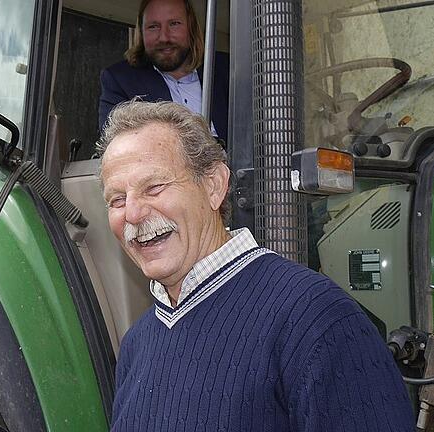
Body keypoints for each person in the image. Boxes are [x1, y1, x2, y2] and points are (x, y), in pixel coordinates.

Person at [97, 100, 415, 432]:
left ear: (214, 185)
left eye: (154, 188)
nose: (132, 214)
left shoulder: (316, 318)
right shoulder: (137, 344)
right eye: (117, 200)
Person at [98, 0, 229, 140]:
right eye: (153, 27)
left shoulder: (226, 67)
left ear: (191, 27)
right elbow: (115, 142)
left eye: (174, 24)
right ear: (141, 32)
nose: (164, 37)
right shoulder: (120, 79)